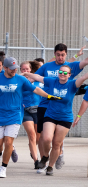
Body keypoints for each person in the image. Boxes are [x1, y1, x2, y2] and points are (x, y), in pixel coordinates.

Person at [23, 65, 88, 175]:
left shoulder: (73, 84)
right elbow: (38, 77)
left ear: (70, 75)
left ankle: (50, 166)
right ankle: (45, 156)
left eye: (65, 73)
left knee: (57, 144)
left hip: (65, 118)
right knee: (46, 138)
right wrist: (26, 74)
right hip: (50, 115)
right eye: (61, 72)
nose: (63, 74)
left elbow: (84, 77)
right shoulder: (52, 81)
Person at [35, 43, 88, 172]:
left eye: (63, 54)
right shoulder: (48, 66)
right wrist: (25, 77)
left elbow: (85, 63)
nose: (60, 57)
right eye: (58, 54)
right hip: (45, 105)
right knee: (44, 137)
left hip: (63, 107)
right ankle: (44, 158)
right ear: (54, 54)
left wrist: (77, 55)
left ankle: (57, 156)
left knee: (57, 140)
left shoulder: (72, 67)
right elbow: (37, 77)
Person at [20, 61, 43, 169]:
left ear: (31, 70)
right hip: (25, 110)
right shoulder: (19, 81)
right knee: (32, 135)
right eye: (23, 69)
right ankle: (36, 161)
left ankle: (32, 148)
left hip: (38, 110)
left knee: (38, 137)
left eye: (27, 69)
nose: (25, 71)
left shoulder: (37, 80)